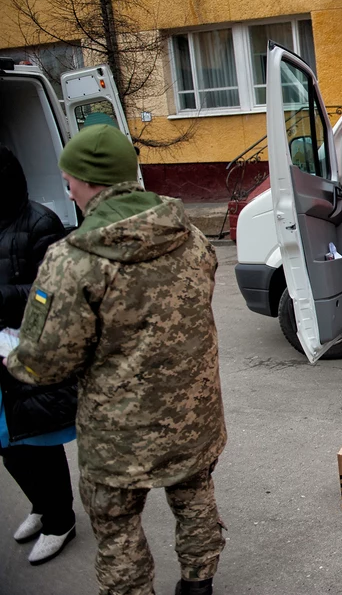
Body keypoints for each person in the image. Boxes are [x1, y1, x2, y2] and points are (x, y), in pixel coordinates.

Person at [4, 125, 228, 595]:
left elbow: (44, 364)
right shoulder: (188, 233)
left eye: (71, 181)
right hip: (195, 412)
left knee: (116, 521)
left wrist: (15, 358)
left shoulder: (72, 259)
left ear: (89, 183)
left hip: (118, 432)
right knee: (195, 496)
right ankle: (198, 584)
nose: (68, 191)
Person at [0, 146, 78, 566]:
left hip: (26, 345)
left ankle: (60, 519)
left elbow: (51, 292)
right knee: (7, 443)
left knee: (36, 437)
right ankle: (40, 505)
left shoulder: (39, 222)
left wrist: (4, 298)